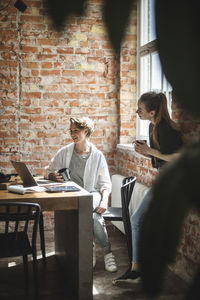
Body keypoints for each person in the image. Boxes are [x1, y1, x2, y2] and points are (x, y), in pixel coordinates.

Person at [113, 91, 183, 285]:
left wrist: (150, 151)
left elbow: (179, 156)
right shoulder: (154, 126)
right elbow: (161, 156)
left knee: (137, 220)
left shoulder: (165, 128)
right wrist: (145, 152)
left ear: (152, 112)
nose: (137, 112)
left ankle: (138, 270)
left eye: (140, 109)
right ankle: (140, 268)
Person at [45, 117, 117, 272]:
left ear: (86, 131)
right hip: (72, 194)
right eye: (71, 131)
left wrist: (104, 201)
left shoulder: (97, 156)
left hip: (92, 193)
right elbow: (48, 170)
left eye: (76, 131)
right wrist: (51, 176)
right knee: (93, 217)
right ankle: (101, 250)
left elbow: (105, 184)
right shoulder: (65, 152)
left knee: (86, 211)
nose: (72, 134)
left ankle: (104, 252)